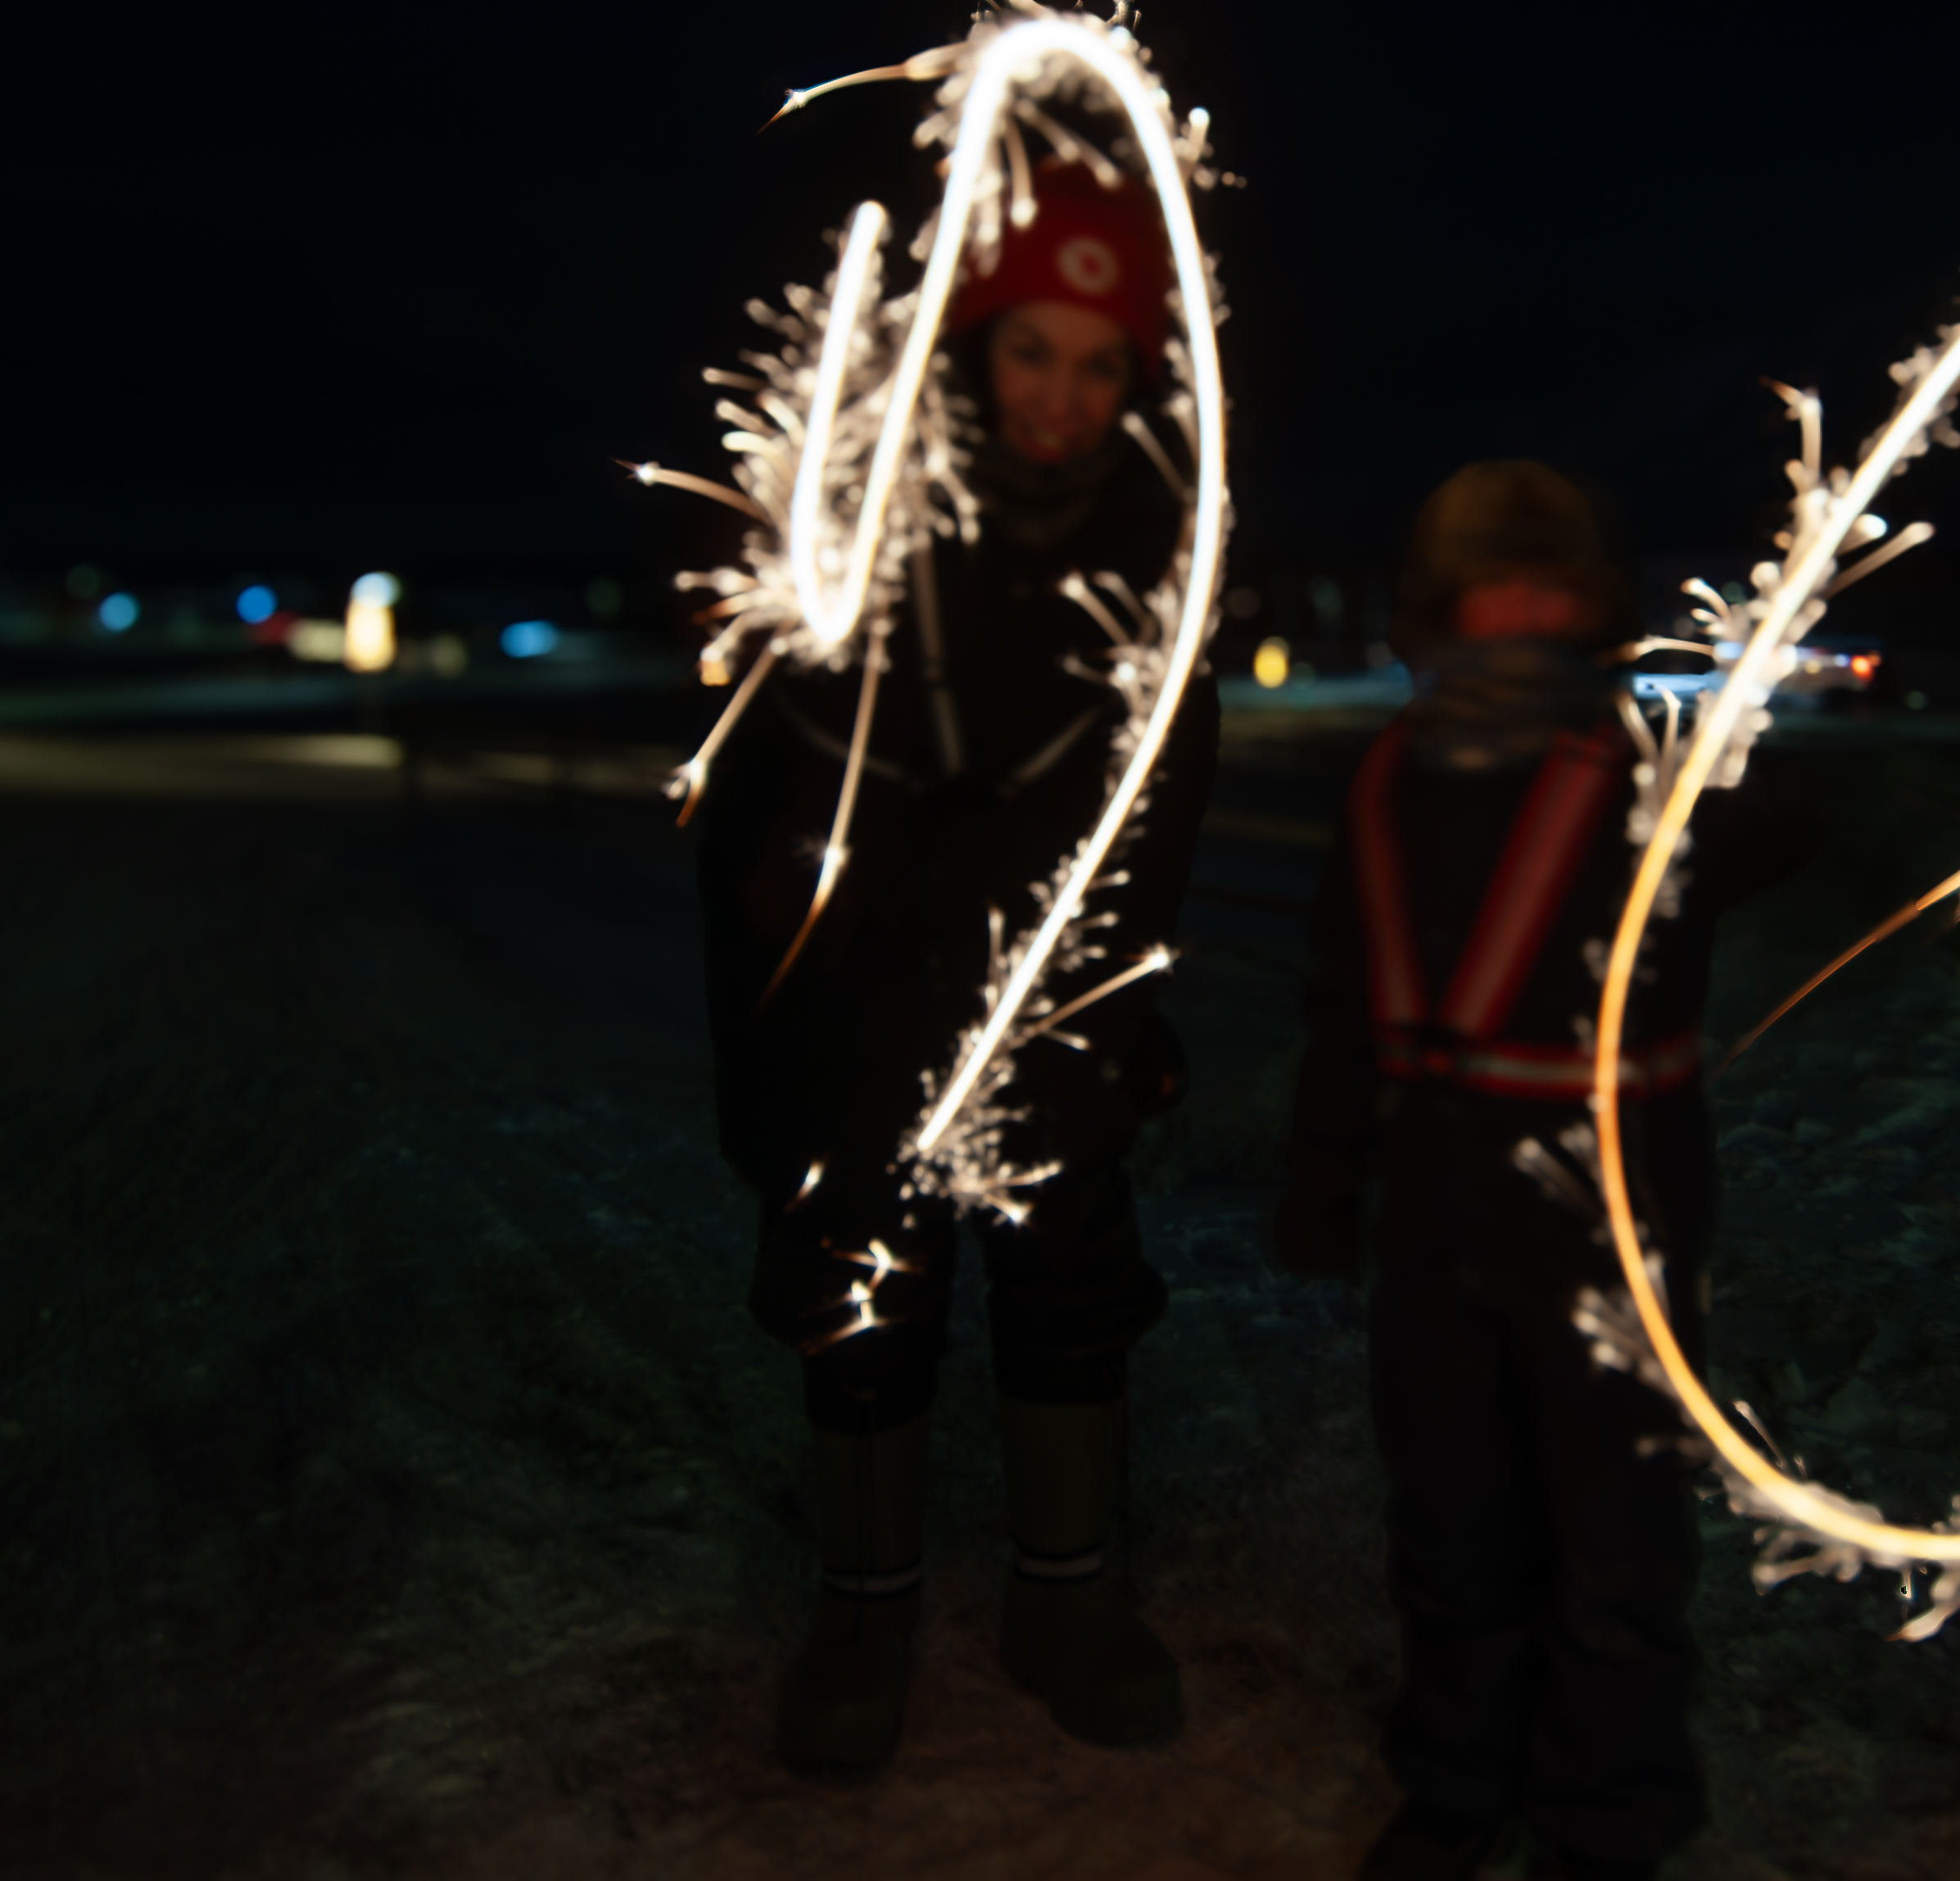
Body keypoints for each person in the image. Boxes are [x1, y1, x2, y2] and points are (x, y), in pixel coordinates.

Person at [698, 161, 1218, 1772]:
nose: (1061, 394)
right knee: (864, 1311)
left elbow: (1160, 816)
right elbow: (750, 822)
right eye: (1030, 349)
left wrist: (1115, 1013)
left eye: (1099, 362)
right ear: (973, 347)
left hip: (1047, 1020)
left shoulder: (1160, 561)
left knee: (1071, 1294)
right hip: (859, 1023)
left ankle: (1069, 1601)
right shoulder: (853, 534)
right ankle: (864, 1615)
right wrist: (770, 1045)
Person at [1283, 463, 1805, 1881]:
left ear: (1591, 612)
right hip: (1438, 1211)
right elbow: (1345, 994)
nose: (1516, 620)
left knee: (1612, 1543)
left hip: (1608, 1222)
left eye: (1545, 594)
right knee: (1452, 1523)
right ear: (1441, 613)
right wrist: (1325, 1178)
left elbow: (1773, 838)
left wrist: (1730, 780)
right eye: (1489, 596)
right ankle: (1460, 1782)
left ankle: (1605, 1819)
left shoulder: (1647, 783)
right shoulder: (1392, 779)